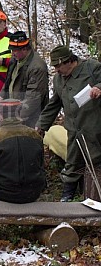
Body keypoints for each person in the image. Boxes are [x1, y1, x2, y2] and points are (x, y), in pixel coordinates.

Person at [36, 45, 101, 202]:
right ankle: (67, 198)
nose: (57, 70)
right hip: (74, 131)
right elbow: (54, 104)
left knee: (97, 164)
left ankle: (95, 199)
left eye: (58, 66)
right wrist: (41, 125)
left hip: (95, 128)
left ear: (69, 61)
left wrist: (99, 87)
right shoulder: (58, 79)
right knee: (72, 164)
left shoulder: (92, 67)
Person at [0, 99, 46, 203]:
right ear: (19, 114)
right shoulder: (35, 135)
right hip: (34, 192)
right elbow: (40, 163)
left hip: (5, 193)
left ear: (0, 115)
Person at [0, 31, 49, 128]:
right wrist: (2, 97)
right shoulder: (15, 60)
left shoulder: (37, 67)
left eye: (15, 50)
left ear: (24, 49)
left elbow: (33, 98)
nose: (12, 53)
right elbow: (8, 81)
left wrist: (15, 117)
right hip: (14, 114)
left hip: (31, 118)